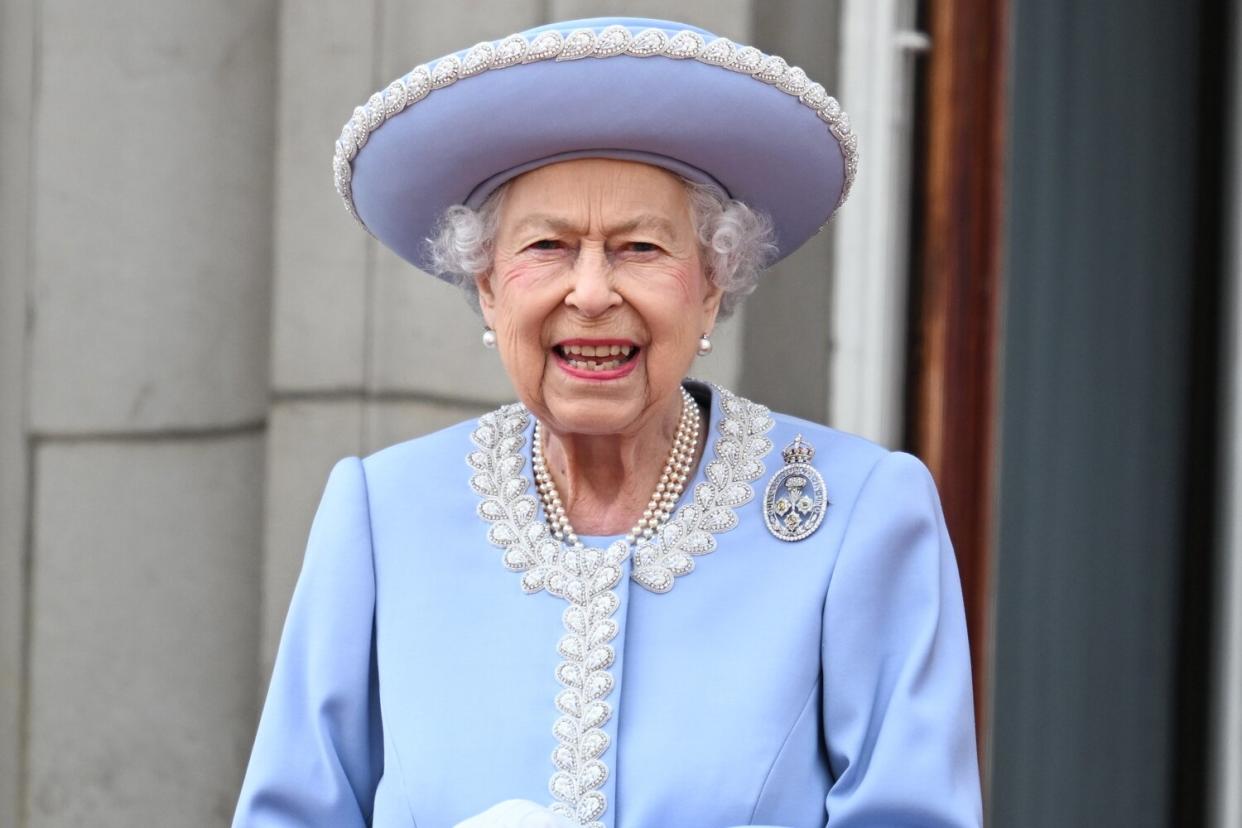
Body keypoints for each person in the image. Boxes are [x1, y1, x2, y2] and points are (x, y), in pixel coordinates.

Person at [233, 16, 981, 828]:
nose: (591, 293)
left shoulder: (858, 515)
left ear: (712, 287)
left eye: (639, 249)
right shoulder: (383, 513)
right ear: (488, 288)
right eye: (548, 246)